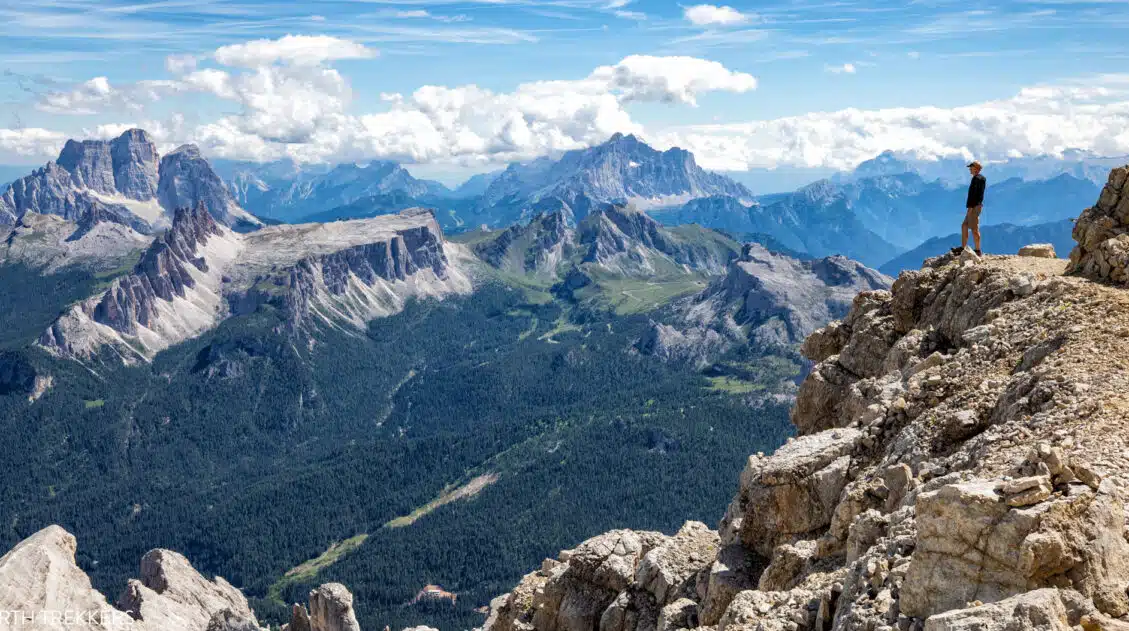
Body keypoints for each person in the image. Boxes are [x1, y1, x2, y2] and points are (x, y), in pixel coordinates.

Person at [953, 161, 986, 256]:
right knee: (964, 226)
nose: (969, 169)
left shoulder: (977, 179)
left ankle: (978, 250)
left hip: (974, 207)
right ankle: (963, 248)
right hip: (975, 206)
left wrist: (970, 207)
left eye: (971, 168)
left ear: (976, 168)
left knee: (974, 229)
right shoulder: (980, 178)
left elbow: (974, 195)